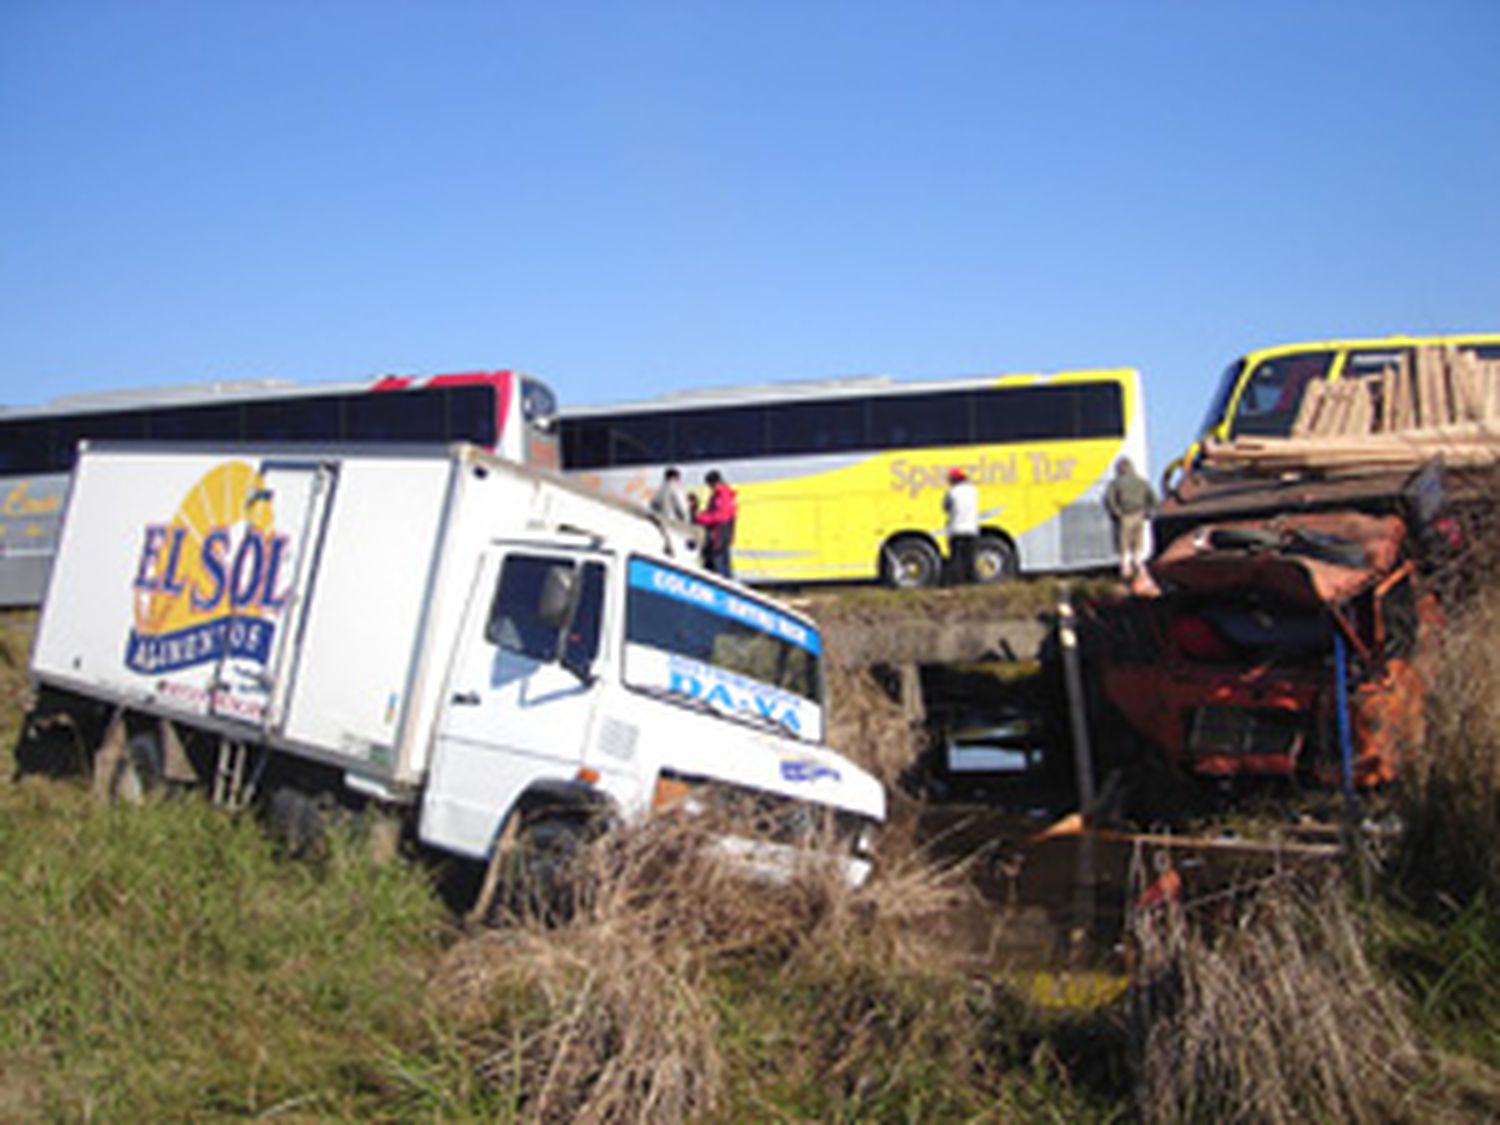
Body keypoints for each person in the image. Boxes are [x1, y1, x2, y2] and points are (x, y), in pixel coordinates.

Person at [1104, 456, 1158, 580]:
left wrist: (1116, 513)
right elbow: (1153, 497)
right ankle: (1139, 566)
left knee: (1124, 544)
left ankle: (1125, 569)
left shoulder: (1116, 483)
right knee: (1138, 544)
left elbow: (1109, 500)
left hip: (1125, 516)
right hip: (1140, 514)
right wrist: (1149, 512)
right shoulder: (1142, 482)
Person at [694, 469, 738, 577]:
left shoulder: (722, 495)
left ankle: (725, 587)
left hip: (719, 535)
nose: (710, 487)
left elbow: (720, 516)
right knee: (719, 563)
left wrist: (701, 518)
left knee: (719, 565)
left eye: (710, 484)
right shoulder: (721, 494)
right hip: (720, 535)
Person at [943, 467, 979, 584]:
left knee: (957, 559)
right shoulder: (973, 490)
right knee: (970, 558)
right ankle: (972, 582)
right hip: (972, 529)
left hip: (956, 529)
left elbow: (946, 507)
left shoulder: (952, 492)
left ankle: (958, 582)